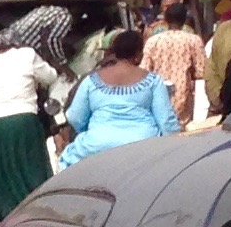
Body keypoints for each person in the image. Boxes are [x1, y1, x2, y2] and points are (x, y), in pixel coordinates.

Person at [0, 7, 70, 222]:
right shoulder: (27, 54)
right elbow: (50, 77)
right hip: (24, 123)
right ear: (16, 43)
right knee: (30, 172)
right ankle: (33, 219)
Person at [60, 29, 182, 166]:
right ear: (138, 54)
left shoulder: (91, 80)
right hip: (144, 145)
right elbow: (166, 122)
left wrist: (92, 132)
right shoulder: (153, 81)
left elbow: (75, 117)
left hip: (96, 146)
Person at [144, 0, 208, 129]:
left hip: (156, 95)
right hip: (183, 97)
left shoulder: (153, 41)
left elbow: (144, 70)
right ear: (185, 19)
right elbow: (201, 71)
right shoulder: (193, 40)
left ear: (166, 19)